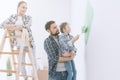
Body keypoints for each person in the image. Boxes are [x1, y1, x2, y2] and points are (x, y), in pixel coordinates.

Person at [0, 1, 36, 80]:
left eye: (26, 8)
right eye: (23, 7)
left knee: (34, 64)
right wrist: (15, 26)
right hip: (19, 45)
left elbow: (26, 26)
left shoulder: (28, 17)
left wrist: (12, 26)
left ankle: (34, 78)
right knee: (21, 64)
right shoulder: (12, 17)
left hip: (29, 44)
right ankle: (25, 78)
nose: (25, 9)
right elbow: (2, 25)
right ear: (18, 7)